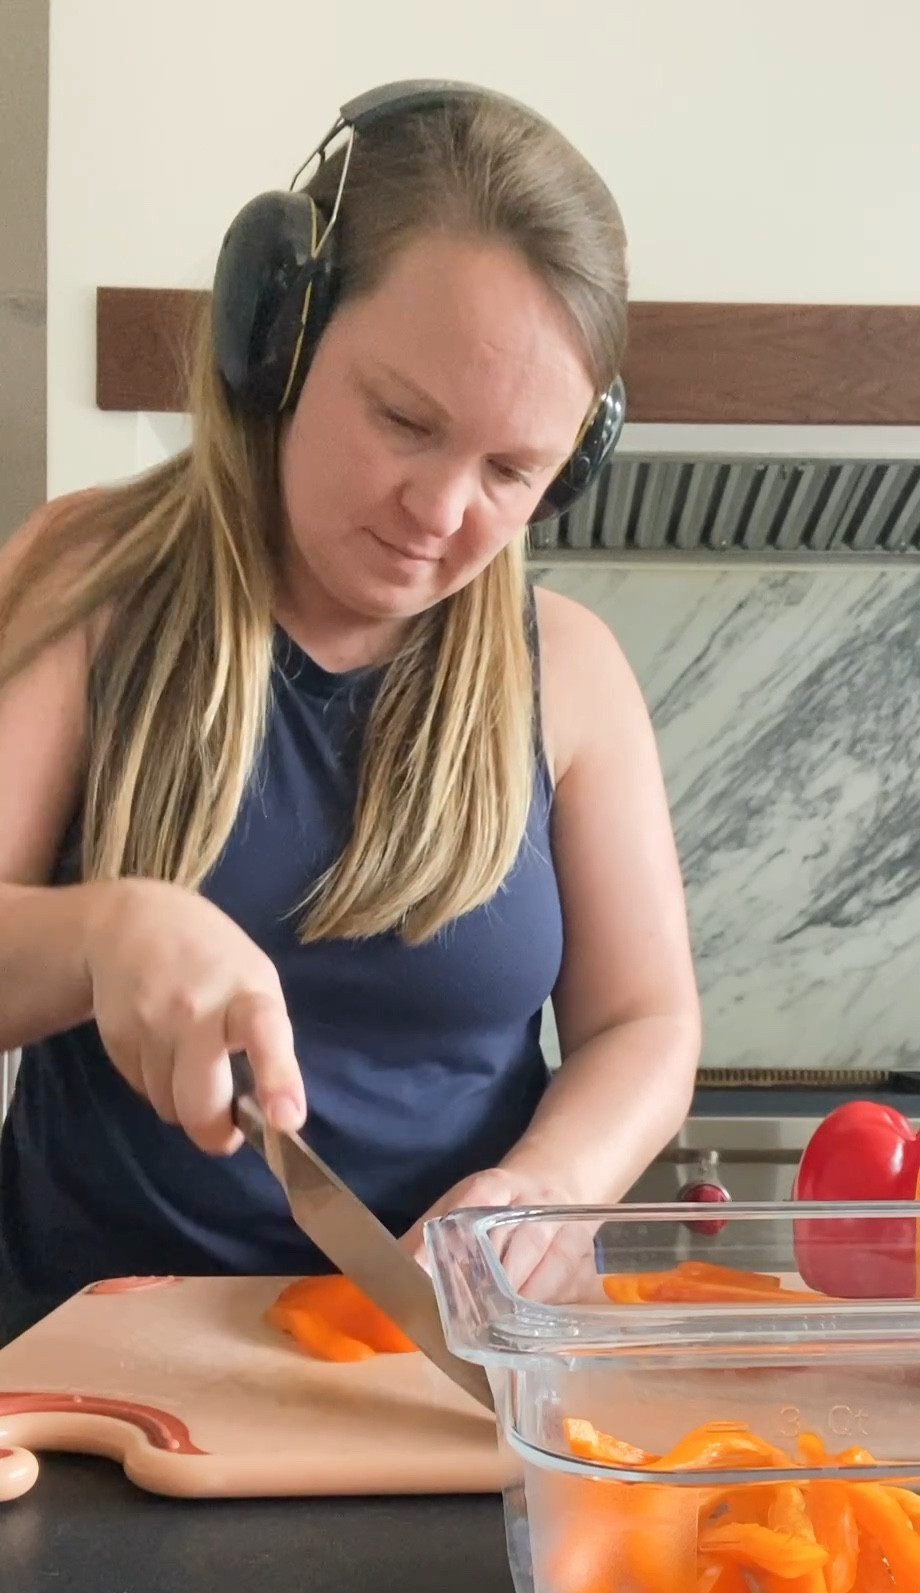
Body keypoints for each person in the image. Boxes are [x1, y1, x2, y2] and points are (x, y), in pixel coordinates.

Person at [0, 79, 700, 1341]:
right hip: (101, 1361)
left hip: (434, 1370)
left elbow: (646, 1023)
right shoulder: (83, 579)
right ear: (278, 333)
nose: (441, 511)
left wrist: (553, 1190)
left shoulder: (574, 671)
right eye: (402, 420)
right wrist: (101, 934)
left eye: (509, 471)